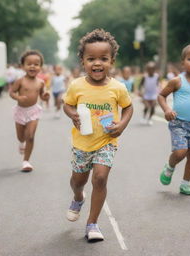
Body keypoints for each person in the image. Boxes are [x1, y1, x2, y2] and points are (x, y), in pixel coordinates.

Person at [63, 29, 133, 242]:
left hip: (107, 141)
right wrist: (72, 114)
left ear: (111, 61)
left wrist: (121, 125)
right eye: (91, 58)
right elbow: (67, 104)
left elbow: (128, 108)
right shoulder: (77, 85)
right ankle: (77, 197)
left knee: (100, 178)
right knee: (78, 180)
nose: (97, 63)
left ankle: (92, 224)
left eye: (103, 58)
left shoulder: (118, 88)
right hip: (82, 142)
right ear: (83, 61)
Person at [158, 43, 190, 195]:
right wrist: (167, 109)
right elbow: (161, 96)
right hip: (178, 123)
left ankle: (185, 184)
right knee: (181, 152)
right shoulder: (177, 81)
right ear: (183, 63)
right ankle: (170, 166)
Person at [10, 50, 49, 172]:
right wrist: (18, 97)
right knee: (21, 136)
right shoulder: (20, 81)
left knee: (30, 136)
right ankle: (21, 143)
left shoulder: (41, 82)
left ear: (40, 67)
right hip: (20, 111)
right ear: (23, 66)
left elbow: (42, 95)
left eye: (36, 64)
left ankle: (26, 161)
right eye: (29, 63)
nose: (33, 66)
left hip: (33, 111)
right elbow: (11, 92)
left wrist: (45, 96)